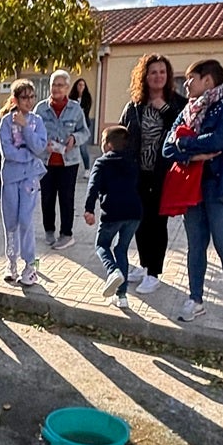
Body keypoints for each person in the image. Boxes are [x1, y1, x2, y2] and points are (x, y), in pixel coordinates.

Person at [162, 59, 223, 334]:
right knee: (196, 245)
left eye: (191, 78)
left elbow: (219, 140)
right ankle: (195, 298)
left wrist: (186, 144)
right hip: (192, 190)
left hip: (221, 189)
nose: (186, 84)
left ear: (207, 80)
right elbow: (167, 149)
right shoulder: (189, 109)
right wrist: (192, 152)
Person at [119, 54, 188, 294]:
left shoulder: (179, 103)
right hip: (138, 173)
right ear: (144, 77)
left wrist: (166, 110)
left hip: (164, 174)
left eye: (162, 72)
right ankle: (144, 264)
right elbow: (122, 136)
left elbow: (184, 131)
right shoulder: (135, 106)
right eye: (153, 72)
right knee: (139, 221)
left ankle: (154, 272)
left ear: (168, 76)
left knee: (157, 224)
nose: (158, 76)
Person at [84, 126, 143, 309]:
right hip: (134, 213)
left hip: (113, 213)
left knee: (101, 245)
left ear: (108, 145)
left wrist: (89, 209)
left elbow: (93, 187)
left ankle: (112, 271)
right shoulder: (133, 161)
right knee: (121, 249)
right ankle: (122, 296)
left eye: (102, 141)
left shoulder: (102, 163)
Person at [0, 79, 48, 286]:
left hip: (29, 178)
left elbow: (39, 147)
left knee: (26, 221)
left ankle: (31, 265)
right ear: (15, 100)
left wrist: (26, 128)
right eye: (24, 97)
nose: (29, 101)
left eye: (32, 97)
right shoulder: (6, 122)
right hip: (11, 177)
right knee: (11, 222)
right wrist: (28, 155)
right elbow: (7, 151)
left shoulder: (36, 121)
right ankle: (11, 262)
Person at [36, 70, 90, 250]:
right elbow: (32, 131)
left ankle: (67, 234)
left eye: (60, 85)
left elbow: (85, 131)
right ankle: (49, 230)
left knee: (66, 199)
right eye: (53, 84)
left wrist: (74, 138)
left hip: (69, 162)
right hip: (47, 161)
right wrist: (41, 144)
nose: (56, 88)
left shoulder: (75, 109)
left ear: (67, 88)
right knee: (47, 198)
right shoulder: (41, 109)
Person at [72, 77, 94, 174]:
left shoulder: (87, 98)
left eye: (83, 85)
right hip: (72, 125)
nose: (81, 87)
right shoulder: (71, 98)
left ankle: (87, 169)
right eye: (79, 85)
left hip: (83, 125)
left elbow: (85, 111)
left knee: (83, 148)